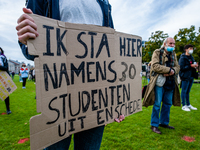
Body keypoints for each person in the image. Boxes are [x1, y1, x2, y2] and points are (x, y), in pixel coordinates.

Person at [16, 0, 114, 149]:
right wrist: (26, 38)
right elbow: (31, 47)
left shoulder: (104, 3)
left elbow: (112, 49)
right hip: (57, 97)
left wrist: (116, 101)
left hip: (96, 99)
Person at [142, 37, 180, 134]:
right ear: (165, 43)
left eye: (173, 44)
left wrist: (172, 71)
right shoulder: (157, 52)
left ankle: (164, 123)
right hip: (159, 82)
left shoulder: (173, 54)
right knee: (157, 104)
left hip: (171, 82)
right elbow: (154, 66)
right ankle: (154, 125)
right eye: (170, 43)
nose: (172, 45)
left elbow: (177, 67)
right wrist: (169, 70)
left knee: (167, 104)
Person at [179, 44, 198, 111]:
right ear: (186, 49)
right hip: (185, 76)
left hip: (191, 76)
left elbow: (192, 65)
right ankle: (183, 105)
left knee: (188, 91)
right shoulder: (183, 57)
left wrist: (195, 66)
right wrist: (190, 66)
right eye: (190, 48)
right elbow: (181, 68)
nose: (191, 50)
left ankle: (188, 104)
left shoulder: (191, 57)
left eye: (192, 48)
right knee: (184, 91)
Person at [0, 47, 12, 114]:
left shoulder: (3, 57)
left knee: (5, 94)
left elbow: (6, 68)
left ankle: (8, 109)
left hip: (2, 77)